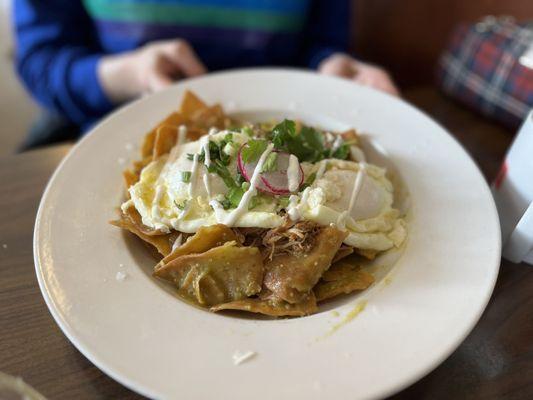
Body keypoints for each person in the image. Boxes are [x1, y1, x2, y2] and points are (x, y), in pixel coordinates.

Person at [13, 0, 399, 149]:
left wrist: (330, 66)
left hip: (284, 137)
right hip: (120, 142)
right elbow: (40, 61)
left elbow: (319, 43)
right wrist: (130, 74)